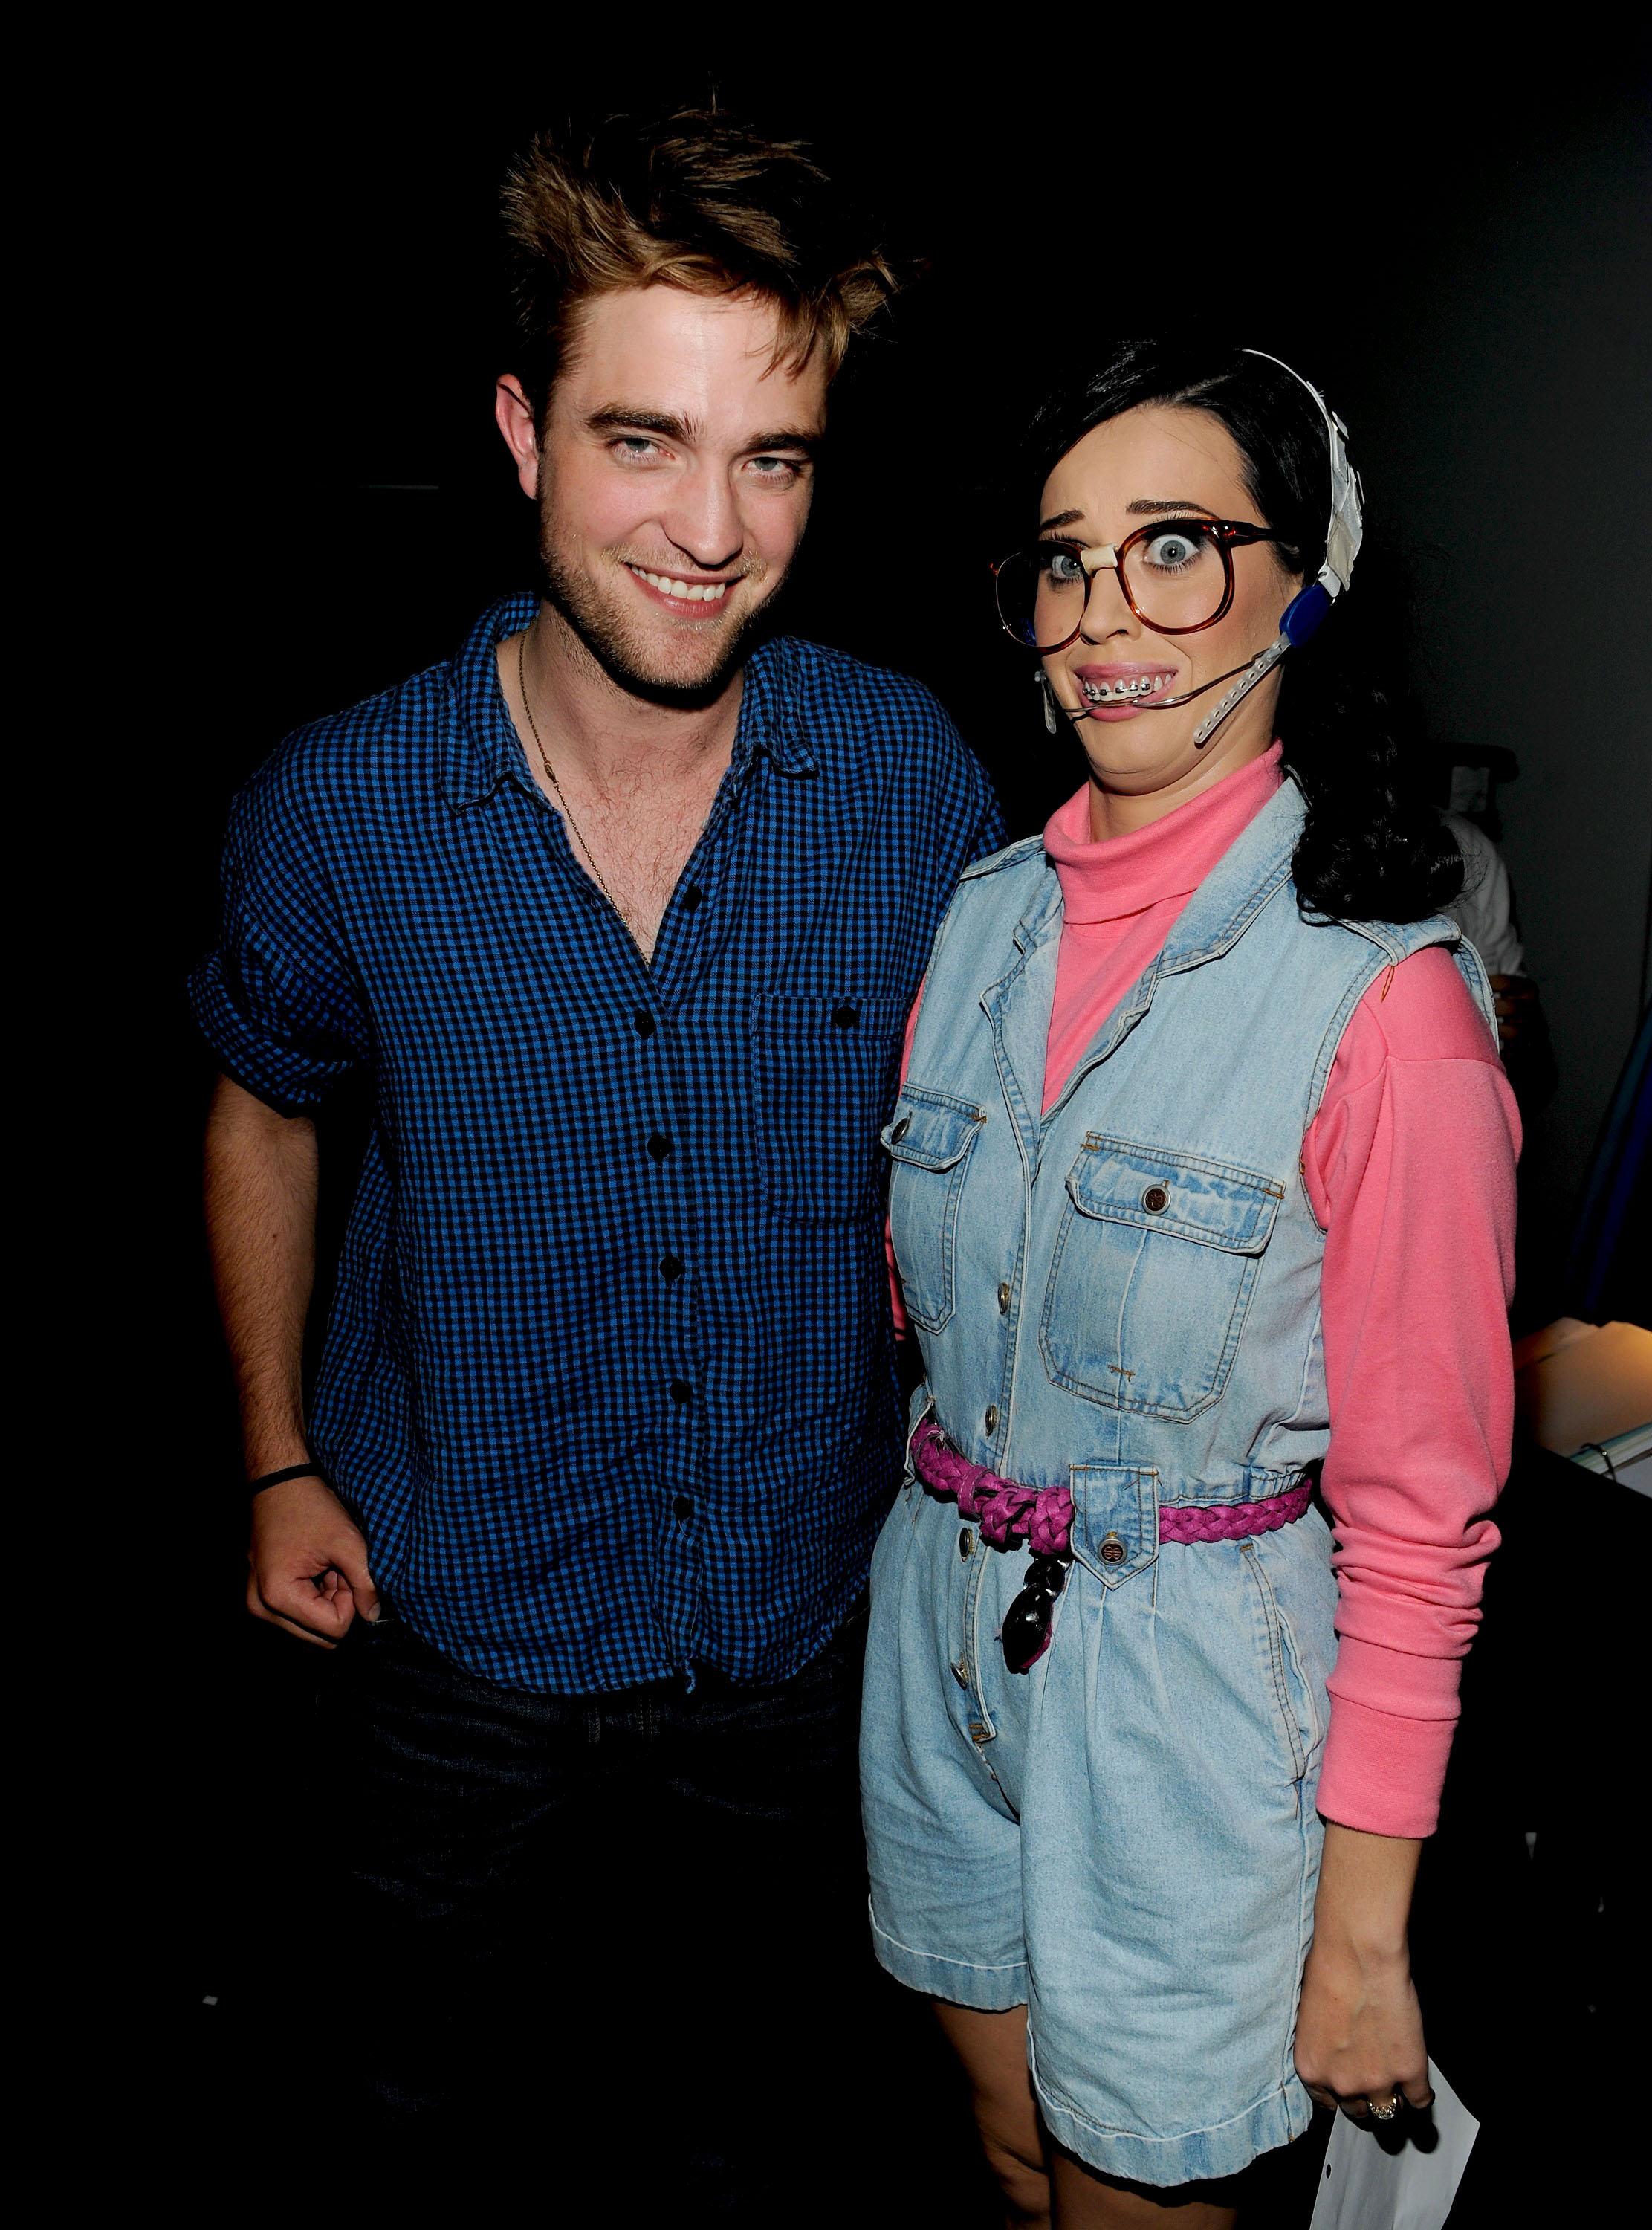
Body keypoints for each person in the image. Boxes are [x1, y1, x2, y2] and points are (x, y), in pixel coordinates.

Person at [191, 111, 1002, 2208]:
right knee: (403, 2132)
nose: (711, 531)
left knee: (752, 2149)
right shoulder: (342, 808)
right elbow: (265, 1101)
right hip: (444, 1642)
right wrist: (276, 1459)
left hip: (799, 1645)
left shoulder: (908, 779)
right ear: (521, 433)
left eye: (774, 458)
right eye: (644, 440)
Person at [861, 343, 1519, 2227]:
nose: (1099, 617)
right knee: (1015, 2166)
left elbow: (1419, 1524)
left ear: (1304, 581)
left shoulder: (1383, 1008)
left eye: (1171, 546)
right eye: (1062, 560)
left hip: (1184, 1713)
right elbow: (934, 1336)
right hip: (933, 1649)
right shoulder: (977, 918)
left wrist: (1363, 1938)